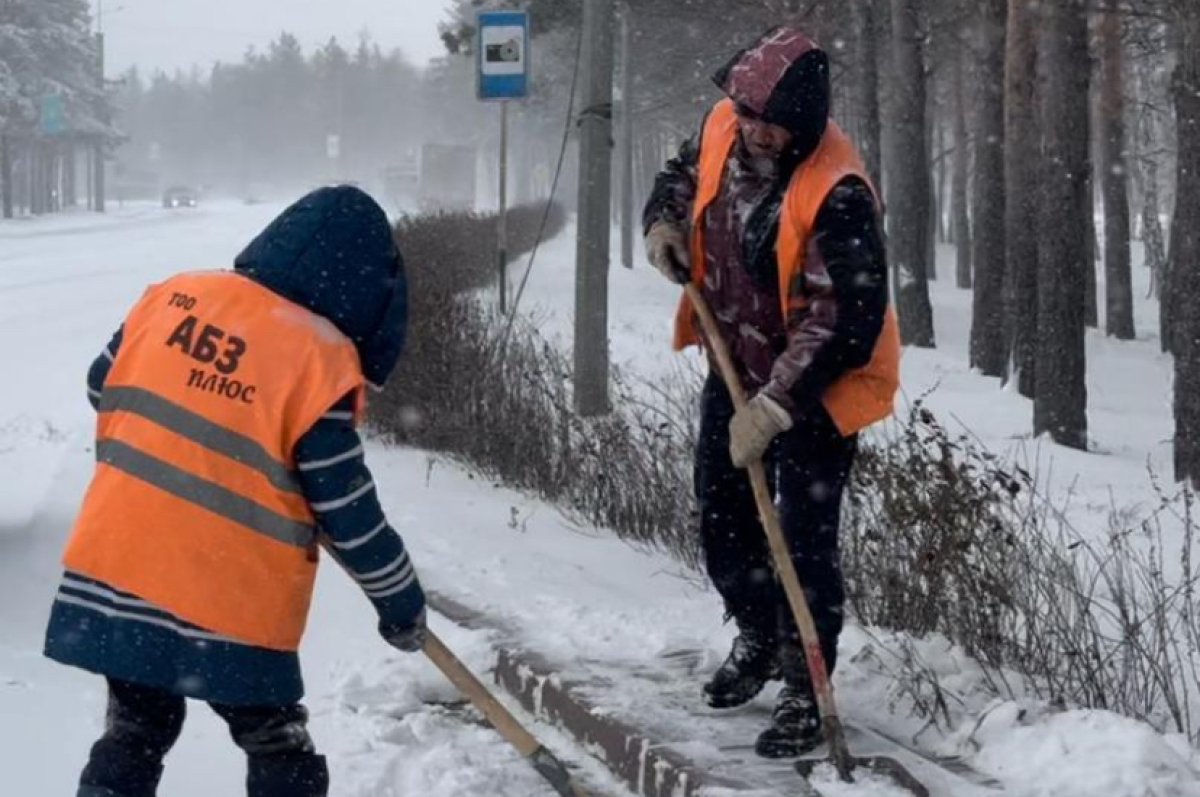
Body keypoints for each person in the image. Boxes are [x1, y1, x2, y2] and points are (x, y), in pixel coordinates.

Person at [44, 186, 428, 797]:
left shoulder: (174, 296)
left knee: (136, 730)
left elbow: (101, 387)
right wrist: (401, 602)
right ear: (366, 291)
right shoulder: (317, 357)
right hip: (229, 599)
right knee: (276, 743)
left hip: (117, 568)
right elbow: (347, 512)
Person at [643, 27, 900, 758]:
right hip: (737, 361)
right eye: (744, 112)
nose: (750, 128)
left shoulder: (836, 191)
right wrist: (664, 223)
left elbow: (845, 319)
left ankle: (804, 683)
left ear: (802, 126)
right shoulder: (727, 124)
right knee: (721, 506)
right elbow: (683, 175)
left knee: (803, 536)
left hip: (821, 387)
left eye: (766, 121)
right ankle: (755, 632)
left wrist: (779, 405)